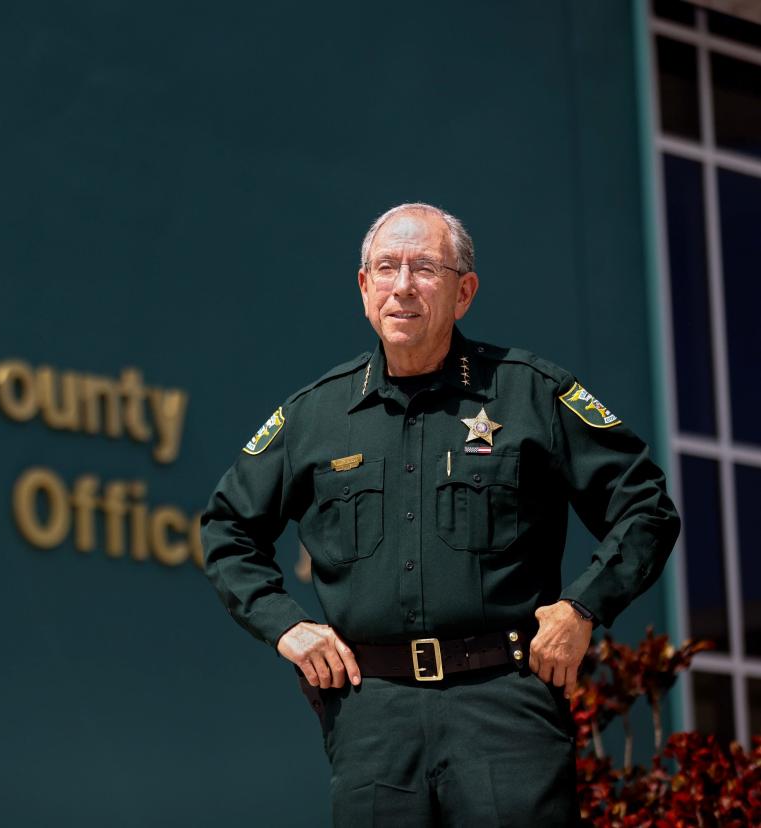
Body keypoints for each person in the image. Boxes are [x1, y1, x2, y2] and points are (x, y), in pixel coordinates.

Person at [200, 203, 680, 825]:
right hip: (372, 716)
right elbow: (226, 528)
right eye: (387, 267)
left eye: (425, 267)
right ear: (364, 286)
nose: (403, 285)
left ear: (464, 292)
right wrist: (287, 627)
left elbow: (646, 506)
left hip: (504, 708)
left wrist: (582, 607)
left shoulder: (532, 393)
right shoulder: (313, 416)